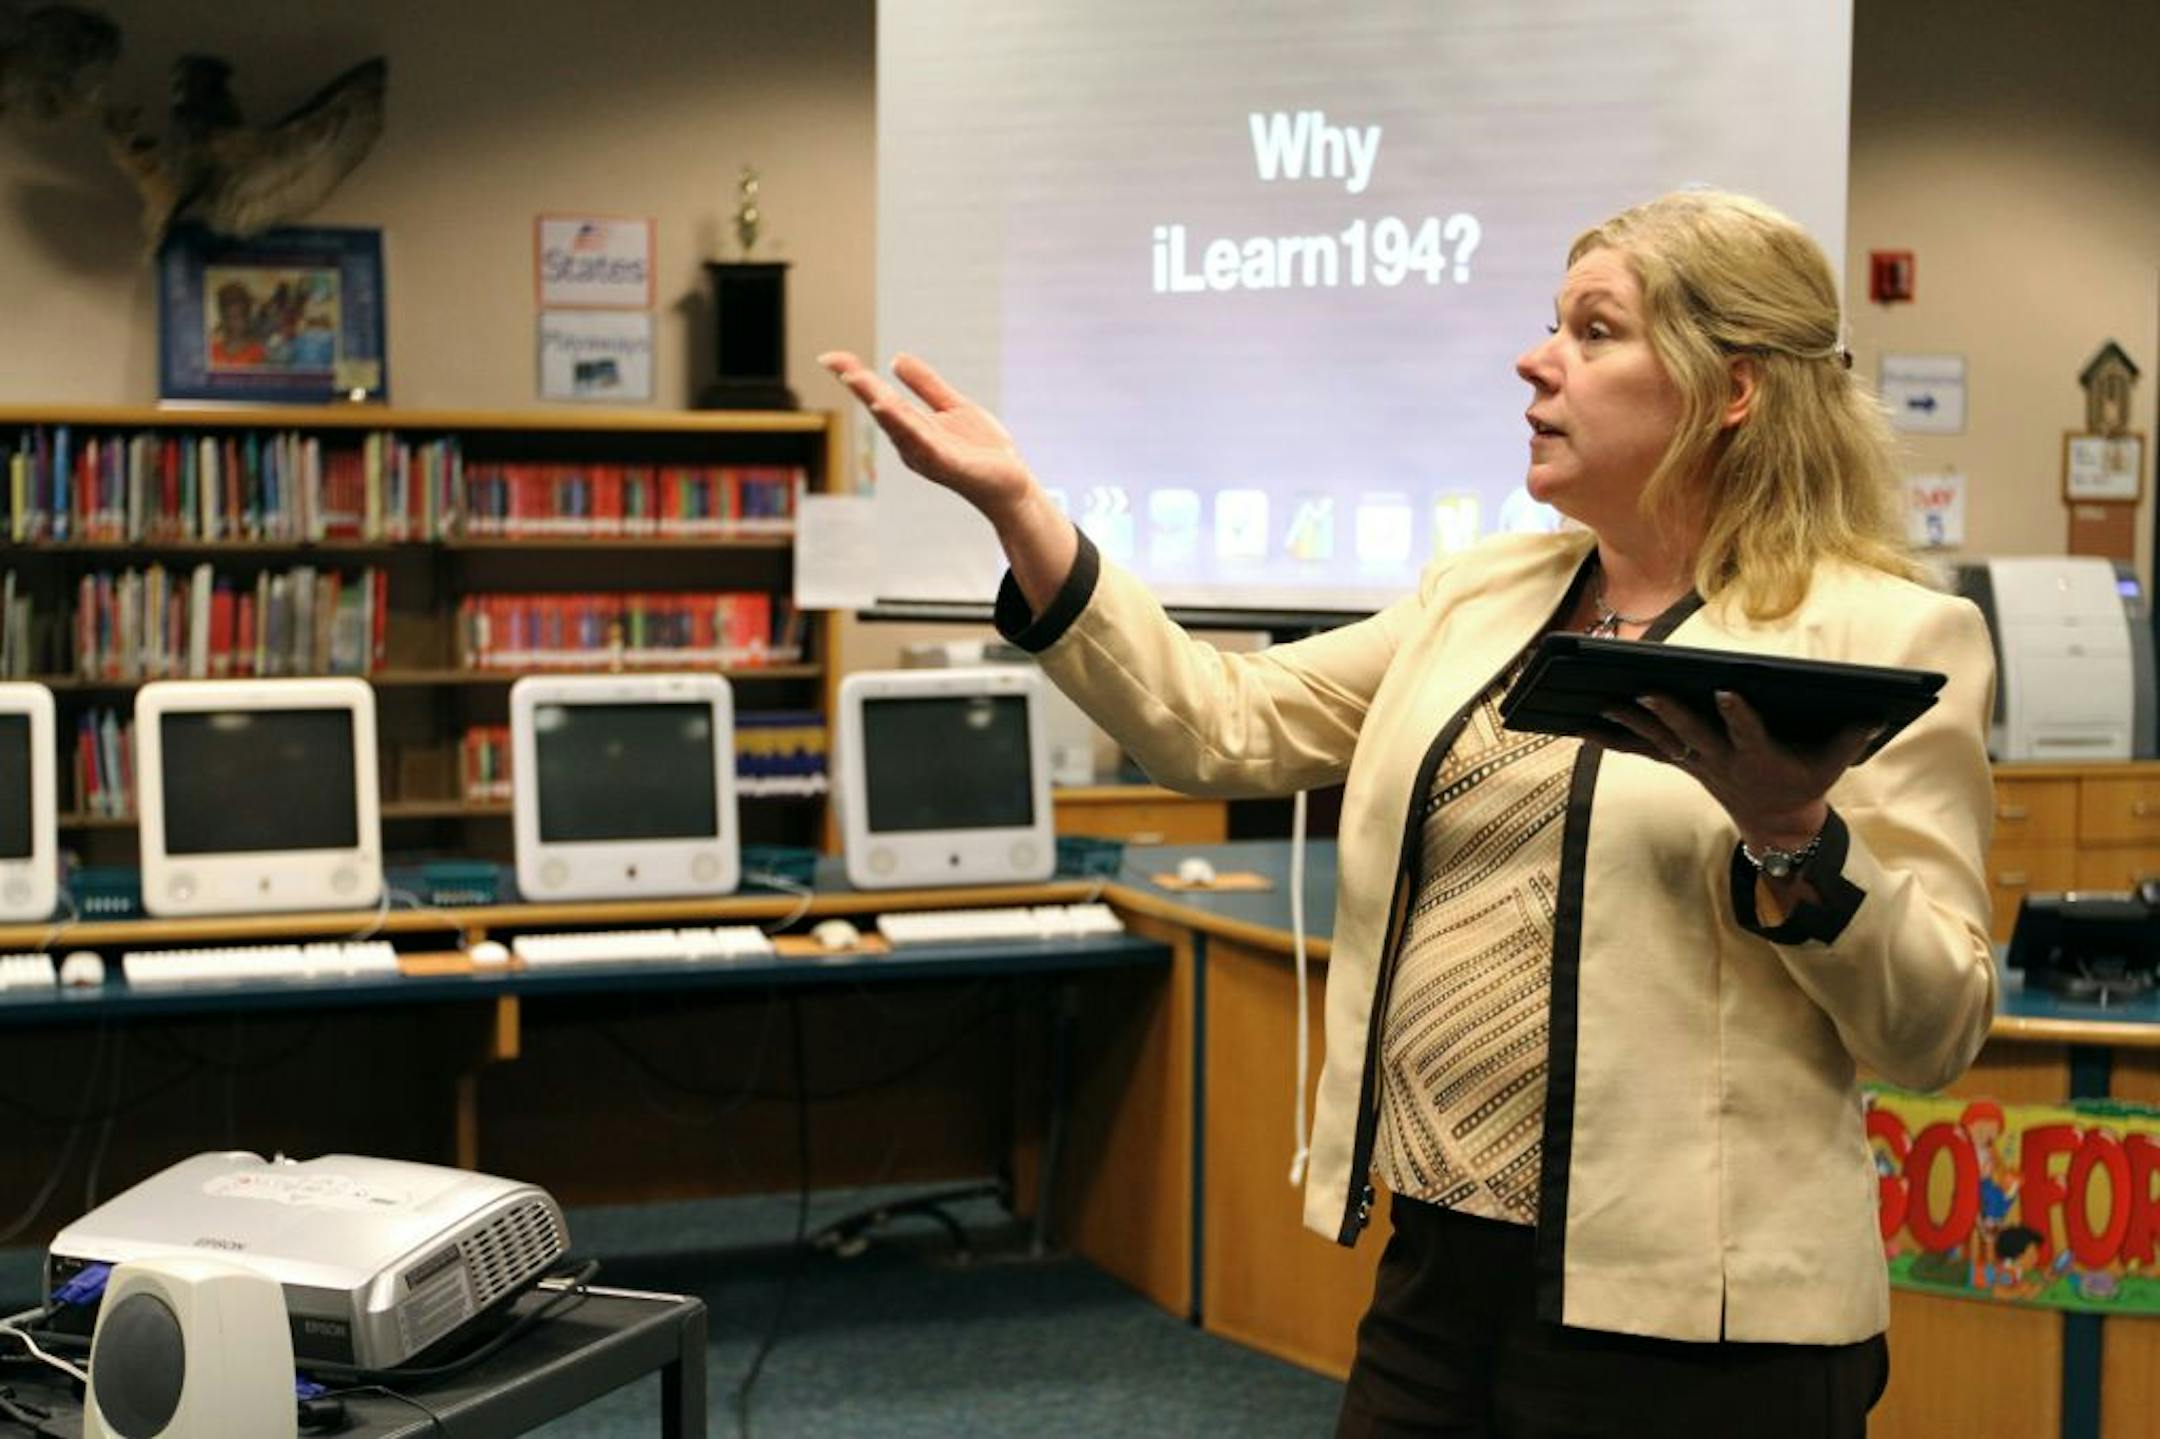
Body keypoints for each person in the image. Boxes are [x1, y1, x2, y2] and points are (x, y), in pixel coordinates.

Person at [820, 187, 1996, 1438]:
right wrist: (1021, 508)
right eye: (1554, 324)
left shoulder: (1884, 637)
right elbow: (1222, 718)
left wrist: (1796, 835)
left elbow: (1938, 1024)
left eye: (1595, 331)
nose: (1536, 360)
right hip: (1441, 1272)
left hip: (1703, 1320)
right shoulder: (1480, 596)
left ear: (1734, 387)